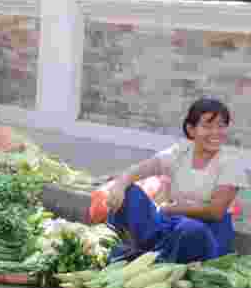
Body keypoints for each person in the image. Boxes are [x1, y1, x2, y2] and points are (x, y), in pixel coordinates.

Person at [102, 98, 246, 264]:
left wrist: (173, 209)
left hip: (206, 234)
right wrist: (120, 184)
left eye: (221, 126)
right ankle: (128, 247)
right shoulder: (181, 151)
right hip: (173, 223)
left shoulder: (231, 163)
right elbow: (141, 169)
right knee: (129, 193)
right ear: (191, 129)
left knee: (190, 229)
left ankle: (150, 256)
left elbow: (215, 211)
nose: (216, 132)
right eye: (208, 126)